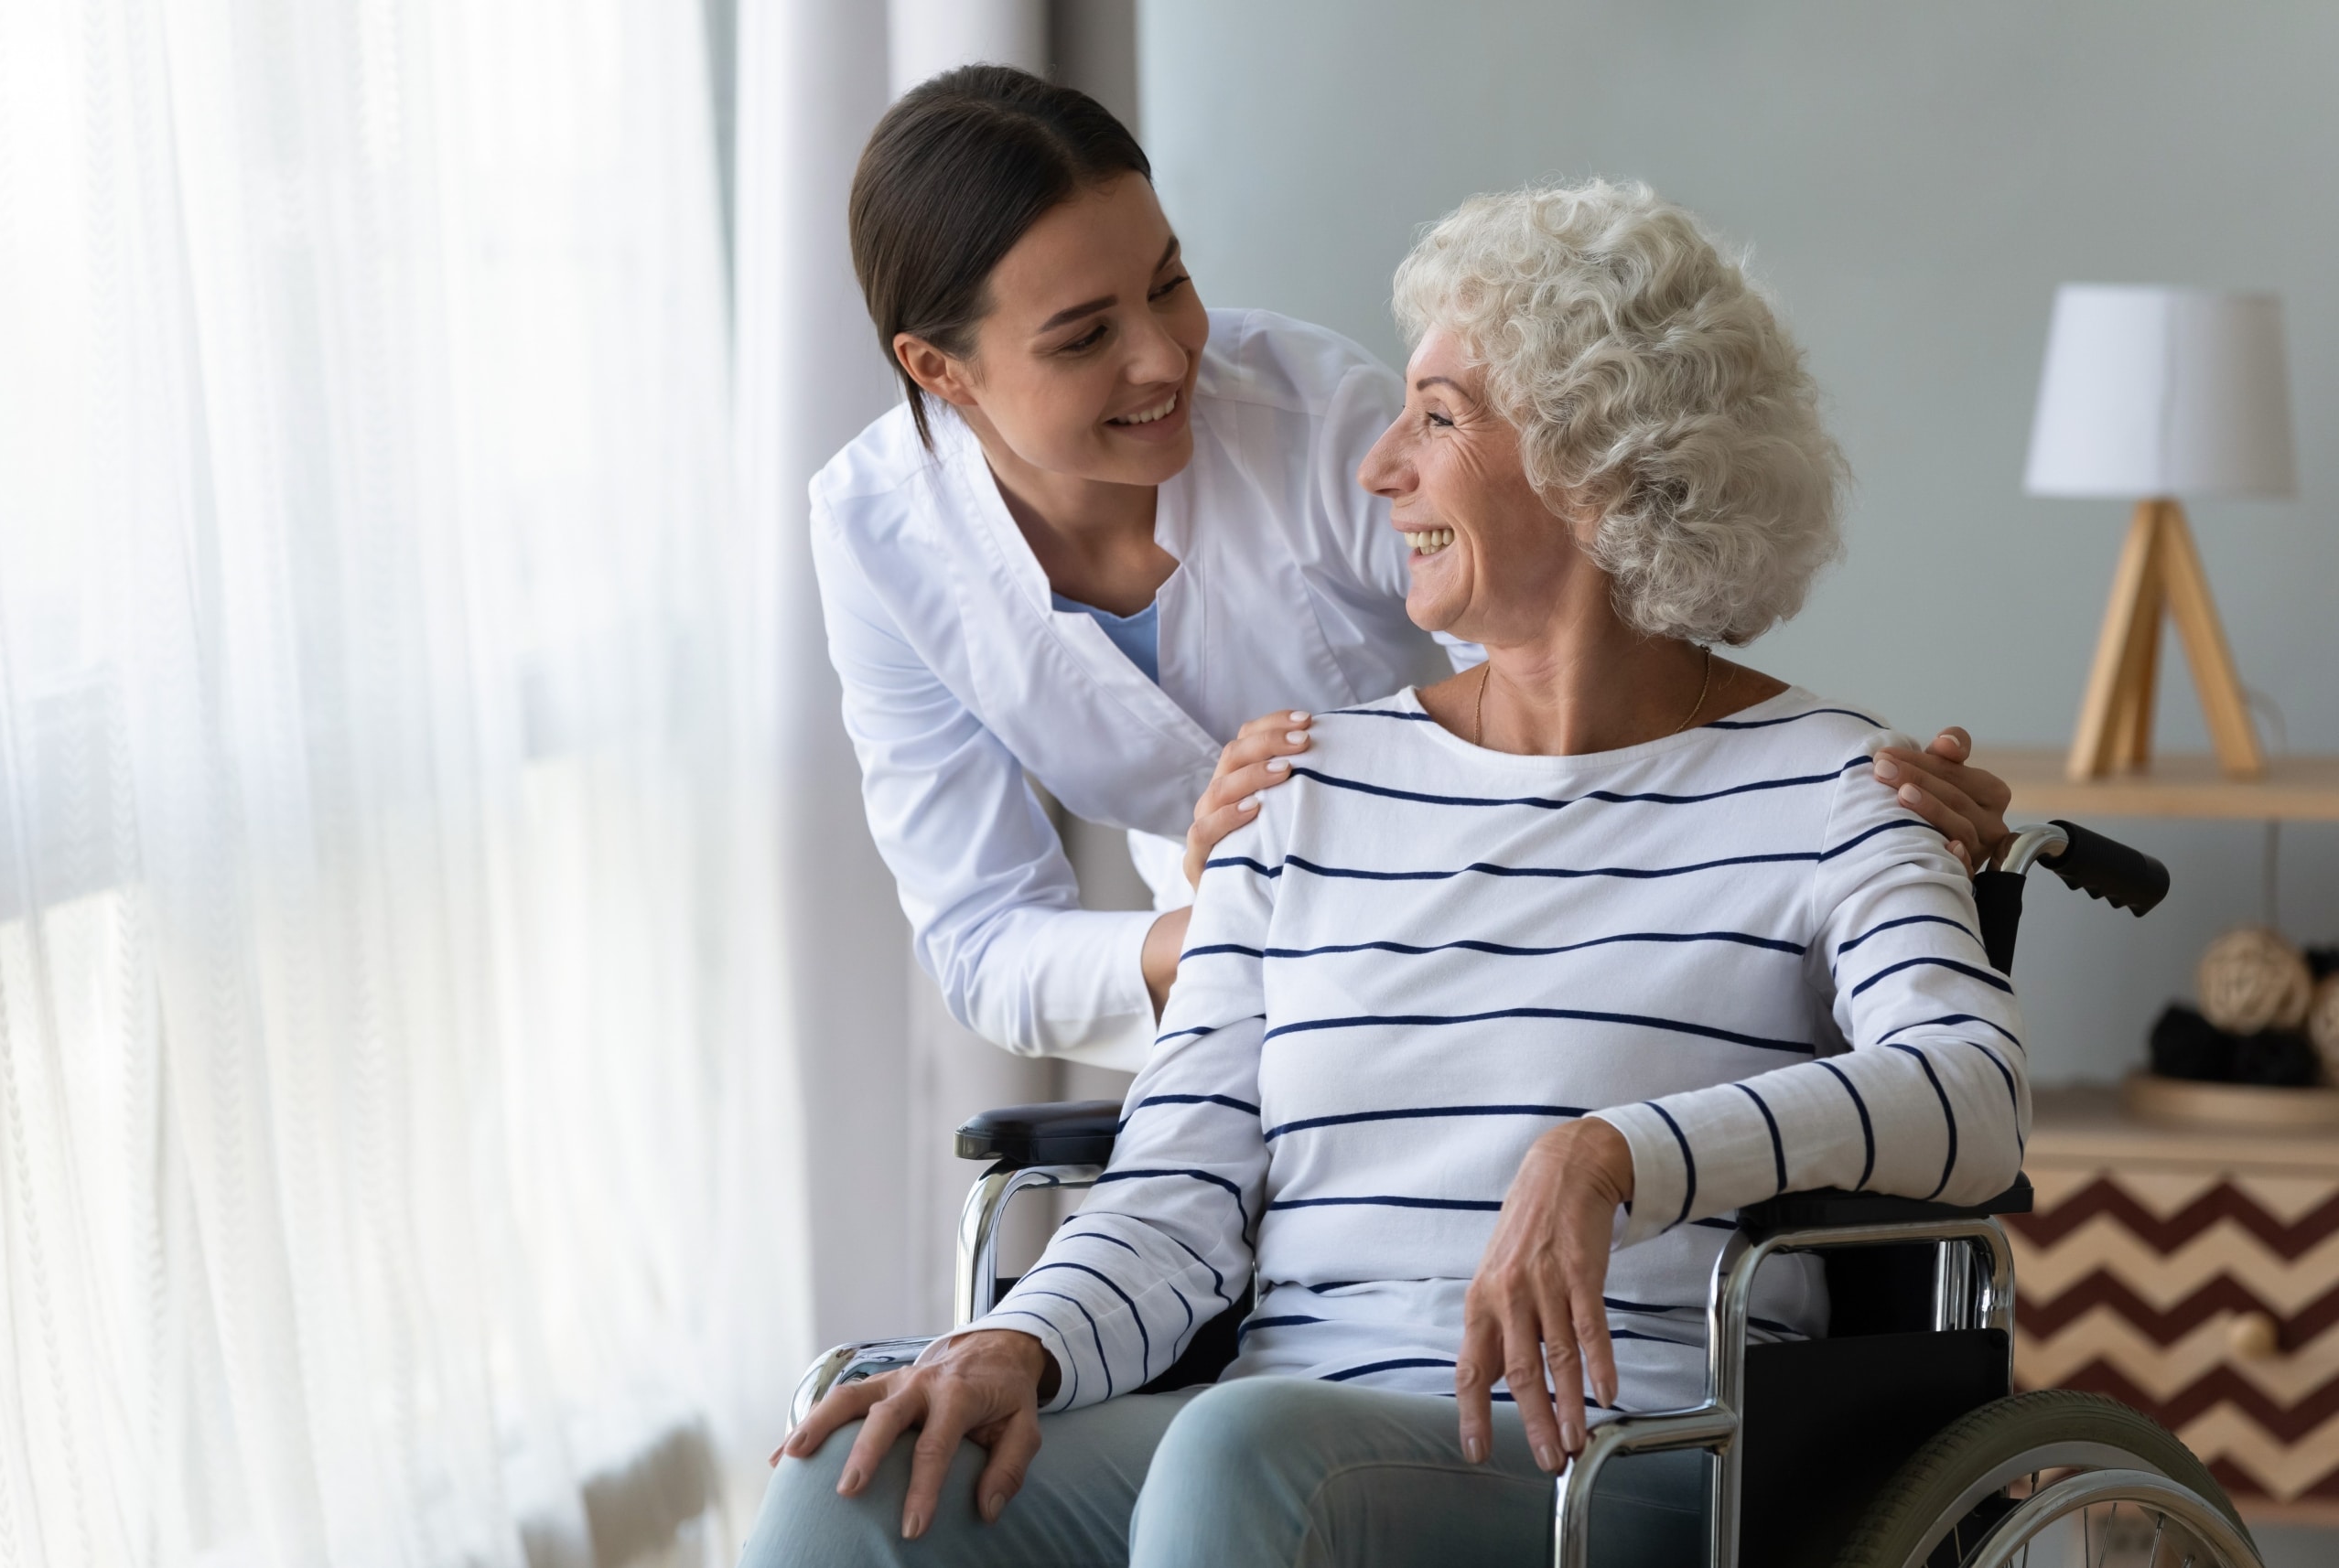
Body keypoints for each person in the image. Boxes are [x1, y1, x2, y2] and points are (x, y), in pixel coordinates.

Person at [752, 179, 2029, 1567]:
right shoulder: (1302, 787)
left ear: (1597, 462)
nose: (1378, 469)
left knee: (1249, 1463)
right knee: (862, 1481)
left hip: (1624, 1458)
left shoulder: (1835, 784)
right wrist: (1017, 1341)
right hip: (1268, 1434)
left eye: (1437, 416)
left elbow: (1973, 1088)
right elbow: (1177, 1187)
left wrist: (1616, 1152)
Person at [815, 67, 2011, 1068]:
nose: (1167, 356)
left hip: (1529, 966)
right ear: (941, 370)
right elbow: (984, 939)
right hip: (1250, 1017)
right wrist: (1225, 926)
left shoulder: (1312, 415)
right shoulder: (875, 539)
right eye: (1084, 335)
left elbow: (1570, 693)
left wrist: (1828, 797)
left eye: (1171, 282)